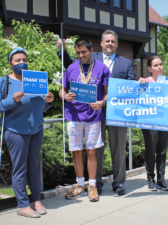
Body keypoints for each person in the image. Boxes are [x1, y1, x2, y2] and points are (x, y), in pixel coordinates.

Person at [57, 30, 136, 195]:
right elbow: (72, 64)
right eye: (106, 41)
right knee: (95, 149)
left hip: (116, 111)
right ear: (100, 44)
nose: (109, 44)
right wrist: (62, 51)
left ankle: (119, 183)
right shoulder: (90, 57)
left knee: (118, 148)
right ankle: (96, 183)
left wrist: (141, 82)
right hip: (92, 111)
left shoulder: (126, 63)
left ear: (117, 44)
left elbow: (132, 85)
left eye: (112, 41)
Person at [0, 47, 54, 218]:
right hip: (15, 130)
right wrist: (12, 100)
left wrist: (48, 102)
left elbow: (39, 106)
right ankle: (22, 205)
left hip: (36, 129)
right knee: (20, 168)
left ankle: (37, 200)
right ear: (10, 64)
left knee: (34, 166)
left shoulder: (35, 80)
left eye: (24, 60)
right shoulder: (3, 82)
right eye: (18, 60)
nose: (22, 63)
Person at [58, 37, 111, 202]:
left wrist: (102, 102)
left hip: (93, 117)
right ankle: (80, 184)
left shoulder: (102, 68)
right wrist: (64, 96)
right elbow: (61, 89)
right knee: (76, 152)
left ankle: (93, 185)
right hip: (73, 116)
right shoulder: (71, 68)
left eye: (84, 52)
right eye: (78, 52)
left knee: (91, 151)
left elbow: (110, 93)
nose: (81, 55)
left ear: (91, 50)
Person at [139, 56, 168, 191]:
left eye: (161, 64)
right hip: (149, 121)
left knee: (162, 151)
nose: (159, 67)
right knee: (151, 151)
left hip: (164, 120)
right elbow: (137, 97)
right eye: (156, 65)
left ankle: (161, 180)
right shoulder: (145, 81)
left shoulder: (167, 82)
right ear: (149, 68)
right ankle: (150, 179)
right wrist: (140, 84)